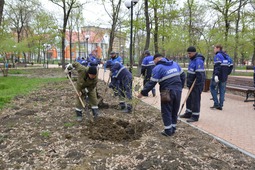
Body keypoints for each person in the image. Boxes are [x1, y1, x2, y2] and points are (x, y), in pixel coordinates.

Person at [138, 54, 185, 136]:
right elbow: (183, 76)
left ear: (157, 59)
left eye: (154, 61)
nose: (153, 63)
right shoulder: (175, 64)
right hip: (178, 90)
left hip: (166, 91)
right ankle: (173, 128)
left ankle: (168, 131)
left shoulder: (157, 68)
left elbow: (152, 83)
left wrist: (143, 92)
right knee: (174, 109)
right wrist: (180, 87)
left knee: (166, 110)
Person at [179, 46, 205, 123]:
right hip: (191, 84)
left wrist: (196, 85)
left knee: (195, 100)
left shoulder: (198, 61)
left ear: (194, 52)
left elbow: (200, 75)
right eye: (188, 53)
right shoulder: (192, 60)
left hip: (196, 85)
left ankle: (195, 116)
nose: (188, 55)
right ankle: (188, 113)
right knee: (189, 99)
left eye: (189, 53)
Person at [210, 45, 233, 110]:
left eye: (214, 48)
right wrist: (226, 73)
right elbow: (231, 66)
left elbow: (217, 66)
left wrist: (216, 75)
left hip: (217, 76)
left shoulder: (218, 56)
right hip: (224, 77)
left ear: (218, 48)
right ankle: (220, 105)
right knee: (222, 91)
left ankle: (216, 103)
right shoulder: (227, 56)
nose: (214, 50)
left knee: (212, 88)